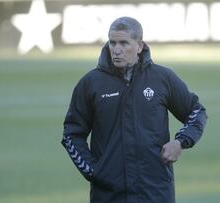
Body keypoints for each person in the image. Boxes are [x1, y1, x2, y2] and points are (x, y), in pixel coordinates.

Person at [62, 16, 207, 203]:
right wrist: (94, 171)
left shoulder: (162, 78)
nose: (117, 50)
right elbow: (72, 134)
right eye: (112, 43)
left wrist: (180, 142)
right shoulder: (90, 83)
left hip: (155, 191)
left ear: (139, 46)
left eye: (124, 43)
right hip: (108, 195)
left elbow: (197, 112)